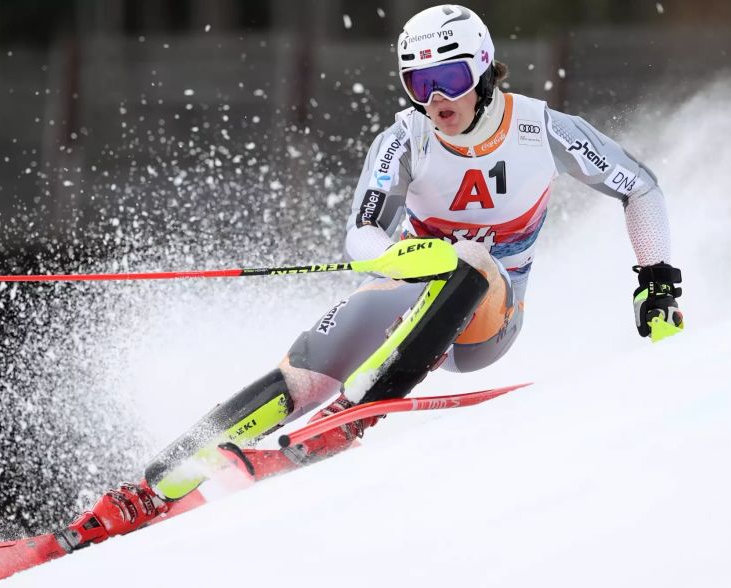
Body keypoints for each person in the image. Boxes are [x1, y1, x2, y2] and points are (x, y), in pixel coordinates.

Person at [63, 5, 684, 546]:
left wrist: (657, 282)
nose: (437, 98)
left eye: (451, 78)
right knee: (304, 371)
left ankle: (357, 411)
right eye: (420, 82)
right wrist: (392, 256)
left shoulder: (540, 128)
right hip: (407, 292)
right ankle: (150, 490)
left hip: (489, 318)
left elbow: (642, 187)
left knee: (468, 259)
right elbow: (362, 233)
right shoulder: (404, 138)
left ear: (486, 70)